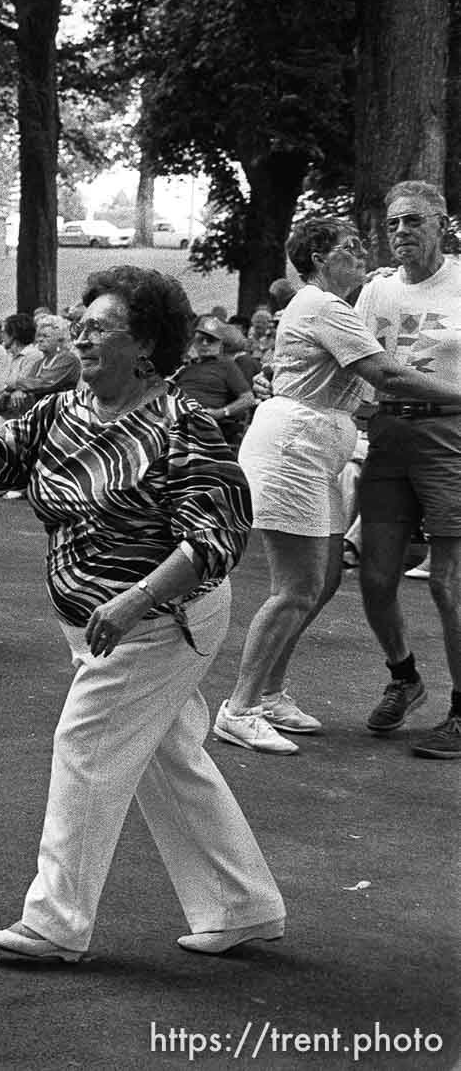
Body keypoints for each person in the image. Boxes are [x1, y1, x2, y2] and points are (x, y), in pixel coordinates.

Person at [0, 265, 283, 961]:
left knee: (87, 746)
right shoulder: (65, 412)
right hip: (96, 620)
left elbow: (215, 539)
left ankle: (57, 921)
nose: (81, 339)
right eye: (78, 327)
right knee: (164, 758)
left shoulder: (186, 429)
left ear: (145, 346)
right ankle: (242, 905)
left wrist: (137, 596)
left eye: (99, 329)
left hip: (162, 622)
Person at [216, 216, 461, 755]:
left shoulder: (332, 307)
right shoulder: (323, 306)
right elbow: (387, 376)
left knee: (321, 581)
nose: (361, 253)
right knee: (295, 588)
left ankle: (272, 693)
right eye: (348, 247)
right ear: (320, 260)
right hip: (294, 447)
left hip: (316, 443)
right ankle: (239, 707)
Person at [354, 182, 461, 759]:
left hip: (451, 437)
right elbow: (358, 365)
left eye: (414, 221)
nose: (401, 232)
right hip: (389, 436)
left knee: (448, 584)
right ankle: (405, 676)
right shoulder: (377, 293)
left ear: (442, 224)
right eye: (393, 223)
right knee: (375, 578)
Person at [172, 314, 256, 448]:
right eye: (200, 340)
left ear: (220, 343)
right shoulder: (185, 365)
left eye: (210, 340)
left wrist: (221, 412)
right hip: (175, 417)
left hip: (203, 423)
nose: (205, 343)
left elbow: (248, 399)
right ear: (194, 342)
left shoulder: (227, 365)